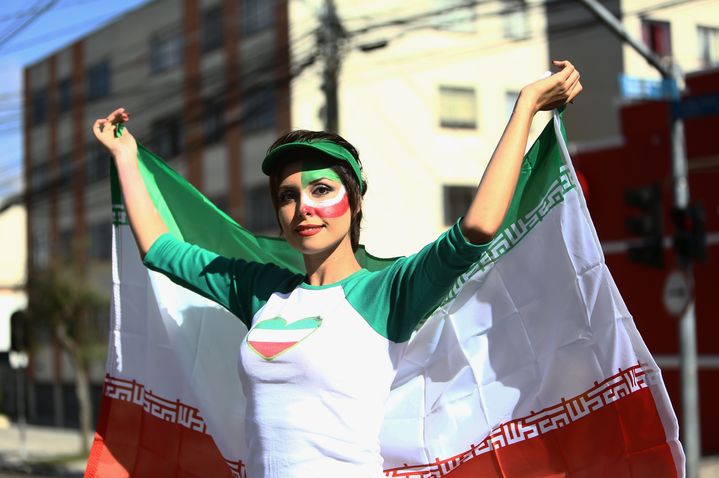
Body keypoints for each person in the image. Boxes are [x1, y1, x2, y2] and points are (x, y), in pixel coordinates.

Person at [93, 61, 582, 478]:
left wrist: (525, 106)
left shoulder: (389, 291)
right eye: (288, 196)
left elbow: (477, 226)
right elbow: (160, 249)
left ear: (355, 202)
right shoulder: (263, 292)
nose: (303, 207)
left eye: (321, 190)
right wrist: (126, 157)